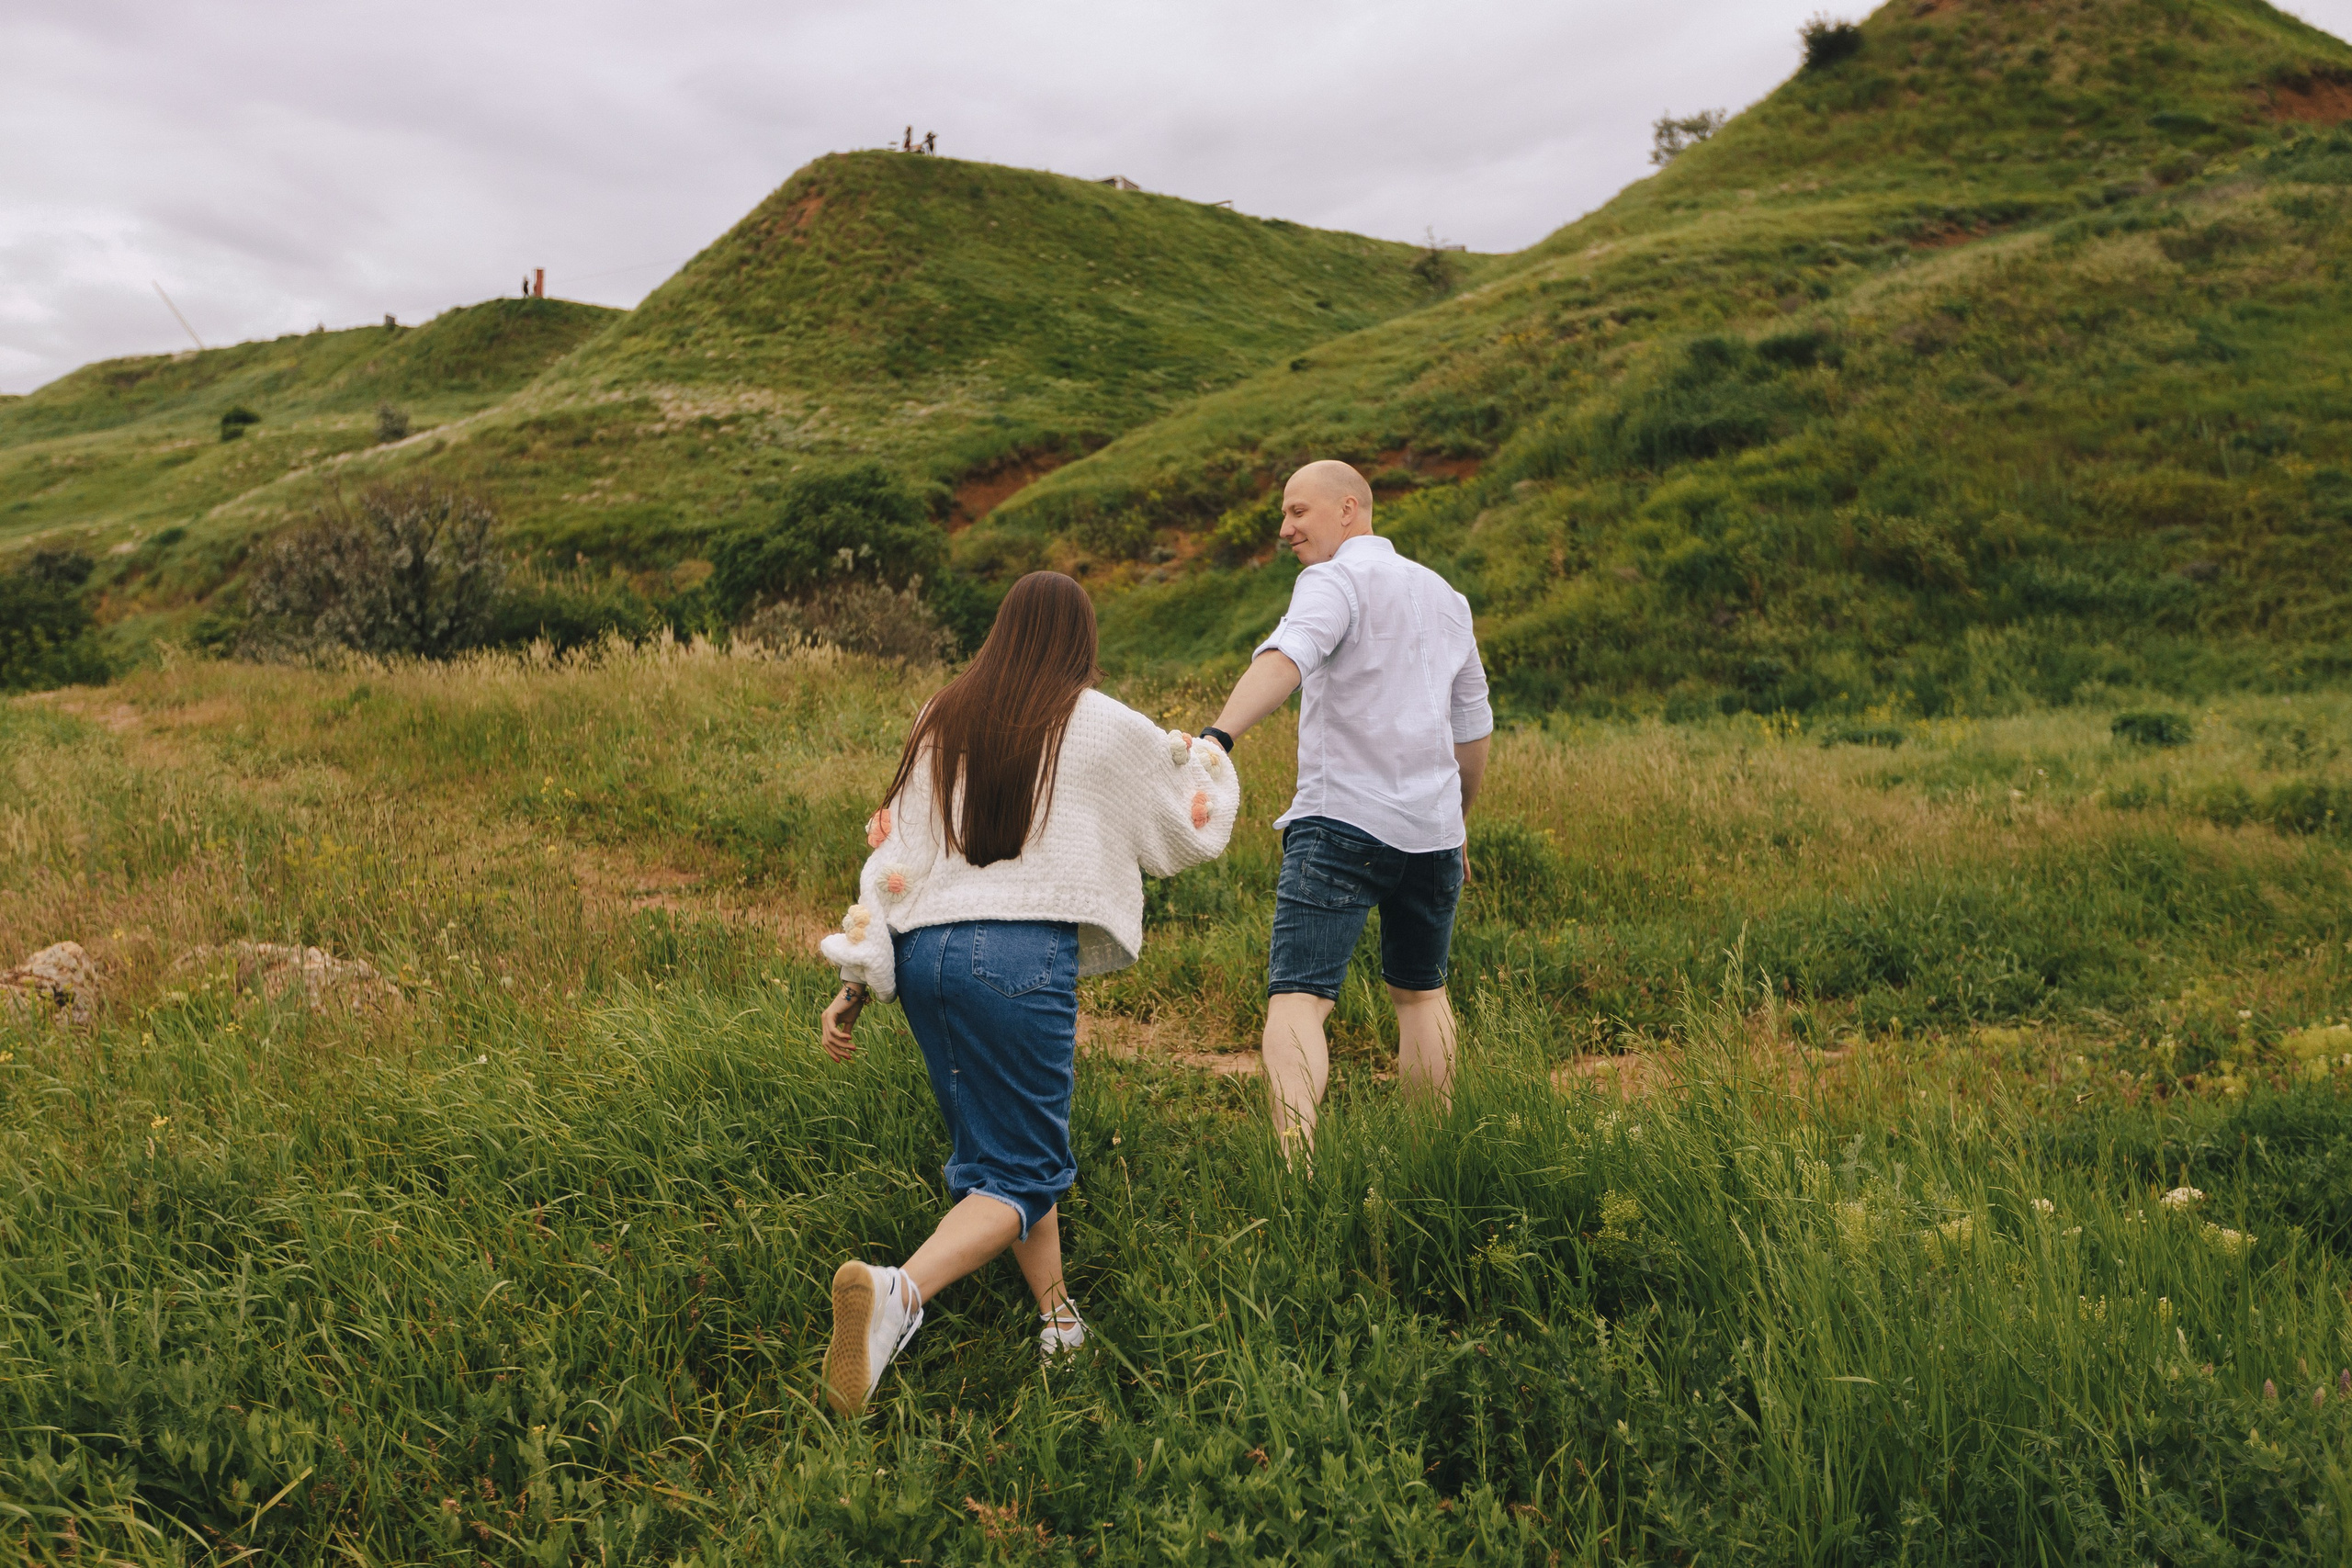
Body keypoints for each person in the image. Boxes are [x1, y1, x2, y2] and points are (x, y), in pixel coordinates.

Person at [813, 570, 1241, 1416]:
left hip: (928, 956)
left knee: (1001, 1149)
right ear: (1079, 639)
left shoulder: (943, 713)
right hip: (1015, 954)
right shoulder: (1099, 722)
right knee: (1028, 1166)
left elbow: (895, 859)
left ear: (1001, 629)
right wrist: (1213, 752)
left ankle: (1057, 1318)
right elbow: (1190, 826)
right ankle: (898, 1292)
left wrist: (855, 980)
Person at [1198, 460, 1491, 1164]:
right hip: (1432, 833)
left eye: (1299, 511)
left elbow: (1287, 655)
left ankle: (1298, 1167)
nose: (1284, 528)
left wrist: (1218, 735)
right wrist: (1459, 823)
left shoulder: (1335, 580)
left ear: (1349, 508)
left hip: (1340, 824)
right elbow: (1474, 729)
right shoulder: (1446, 596)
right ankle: (1430, 1158)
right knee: (1422, 997)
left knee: (1299, 998)